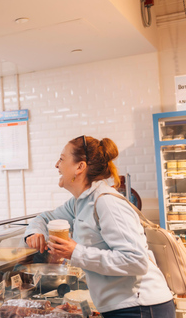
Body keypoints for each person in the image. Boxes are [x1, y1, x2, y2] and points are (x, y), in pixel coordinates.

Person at [24, 136, 174, 318]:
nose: (57, 165)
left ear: (80, 167)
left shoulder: (106, 202)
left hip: (141, 307)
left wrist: (76, 252)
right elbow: (45, 217)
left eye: (62, 159)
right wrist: (34, 231)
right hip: (122, 307)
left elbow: (136, 260)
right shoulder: (80, 202)